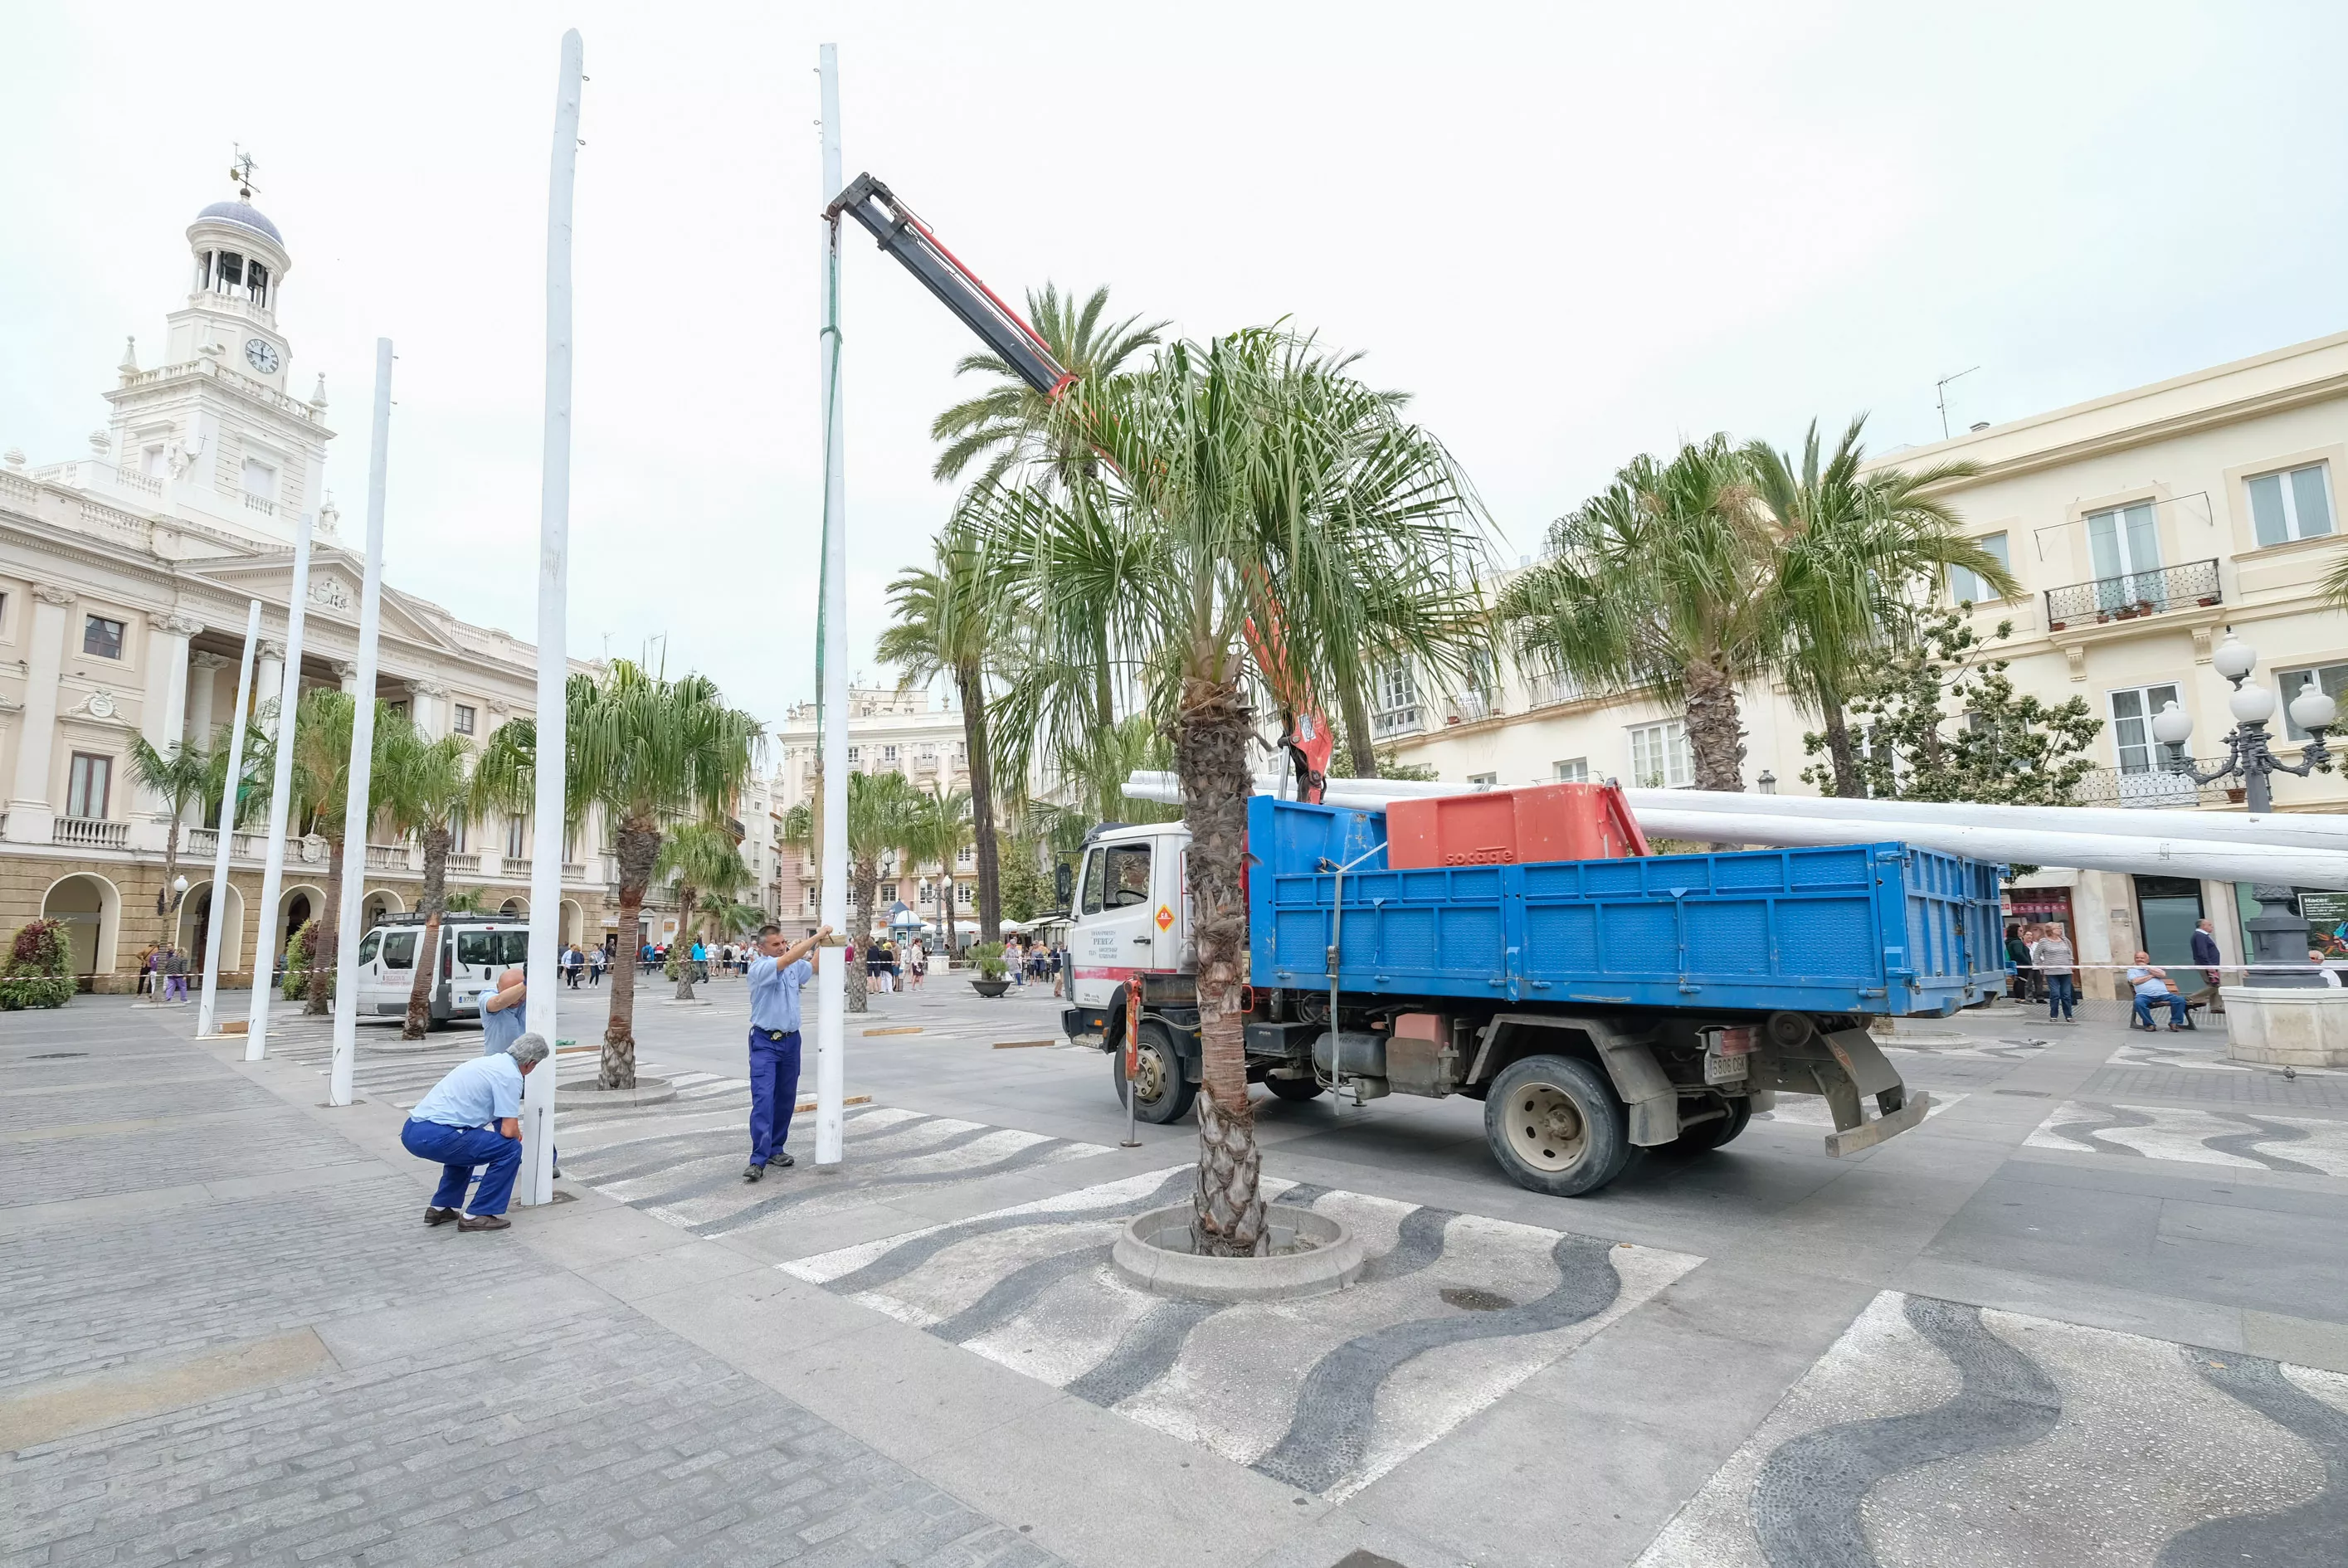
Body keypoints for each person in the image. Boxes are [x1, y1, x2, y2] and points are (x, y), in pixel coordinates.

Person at [401, 1032, 550, 1232]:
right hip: (439, 1136)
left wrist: (510, 1129)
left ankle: (442, 1207)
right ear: (531, 1063)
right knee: (510, 1149)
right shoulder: (510, 1076)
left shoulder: (488, 1063)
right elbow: (508, 1130)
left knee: (467, 1147)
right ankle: (478, 1214)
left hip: (413, 1129)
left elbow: (498, 1118)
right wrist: (515, 1135)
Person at [743, 922, 831, 1182]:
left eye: (783, 943)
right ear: (760, 948)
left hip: (791, 1041)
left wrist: (826, 944)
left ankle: (776, 1149)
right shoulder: (760, 968)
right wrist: (817, 936)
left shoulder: (792, 966)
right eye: (776, 945)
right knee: (763, 1098)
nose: (782, 948)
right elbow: (789, 959)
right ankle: (758, 1159)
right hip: (765, 1041)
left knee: (785, 1098)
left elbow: (813, 967)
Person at [2126, 951, 2190, 1031]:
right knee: (2138, 1003)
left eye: (2142, 958)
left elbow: (2162, 975)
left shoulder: (2153, 968)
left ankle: (2175, 1022)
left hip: (2163, 994)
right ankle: (2149, 1024)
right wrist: (2152, 975)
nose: (2139, 960)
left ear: (2147, 960)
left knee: (2180, 1000)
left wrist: (2147, 967)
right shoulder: (2132, 970)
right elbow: (2135, 981)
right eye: (2137, 958)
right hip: (2144, 995)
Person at [2031, 925, 2077, 1023]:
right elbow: (2036, 954)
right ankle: (2054, 1015)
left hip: (2065, 971)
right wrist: (2040, 966)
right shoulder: (2044, 941)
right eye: (2057, 928)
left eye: (2060, 928)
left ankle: (2069, 1015)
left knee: (2066, 994)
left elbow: (2070, 953)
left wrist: (2071, 964)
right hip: (2051, 972)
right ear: (2050, 930)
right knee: (2055, 994)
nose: (2060, 930)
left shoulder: (2065, 940)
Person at [2005, 923, 2036, 1002]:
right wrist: (2027, 962)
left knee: (2017, 981)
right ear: (2015, 931)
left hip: (2016, 964)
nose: (2022, 932)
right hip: (2022, 965)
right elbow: (2019, 953)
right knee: (2022, 981)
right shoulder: (2017, 942)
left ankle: (2018, 997)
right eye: (2020, 931)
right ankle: (2022, 998)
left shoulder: (2010, 941)